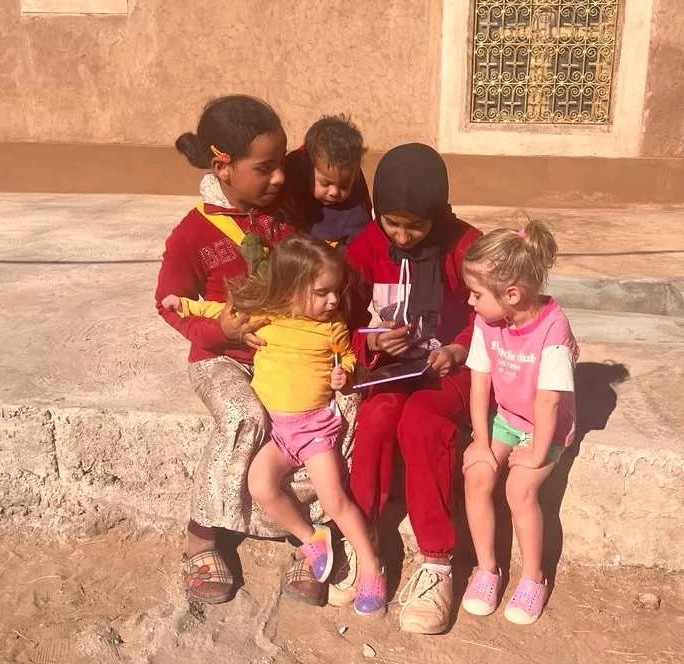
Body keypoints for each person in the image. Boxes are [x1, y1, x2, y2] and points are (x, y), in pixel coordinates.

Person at [155, 94, 354, 607]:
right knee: (245, 415)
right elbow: (169, 302)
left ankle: (307, 537)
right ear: (222, 167)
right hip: (222, 359)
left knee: (324, 414)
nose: (281, 178)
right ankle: (201, 536)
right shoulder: (194, 233)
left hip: (283, 356)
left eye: (281, 164)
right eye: (264, 169)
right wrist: (219, 330)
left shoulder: (283, 220)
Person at [161, 235, 386, 616]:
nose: (333, 301)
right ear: (292, 290)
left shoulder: (332, 327)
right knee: (260, 485)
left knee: (335, 500)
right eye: (323, 293)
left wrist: (343, 374)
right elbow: (220, 309)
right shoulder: (268, 317)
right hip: (277, 432)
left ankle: (370, 567)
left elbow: (346, 357)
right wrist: (183, 303)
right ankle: (309, 538)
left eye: (336, 292)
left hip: (315, 431)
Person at [334, 143, 482, 635]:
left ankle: (437, 562)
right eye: (391, 222)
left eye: (415, 225)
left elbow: (495, 317)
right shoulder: (366, 247)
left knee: (421, 422)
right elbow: (339, 318)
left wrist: (459, 348)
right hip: (391, 367)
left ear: (437, 212)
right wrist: (372, 340)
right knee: (377, 419)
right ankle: (362, 538)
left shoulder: (465, 249)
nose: (402, 235)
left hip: (451, 372)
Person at [459, 221, 579, 625]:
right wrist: (480, 439)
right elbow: (480, 381)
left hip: (548, 428)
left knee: (519, 488)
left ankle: (533, 578)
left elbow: (549, 401)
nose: (470, 302)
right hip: (506, 420)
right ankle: (487, 568)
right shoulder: (487, 322)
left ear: (512, 294)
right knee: (477, 474)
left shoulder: (552, 329)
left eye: (476, 294)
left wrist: (538, 454)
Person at [284, 114, 371, 248]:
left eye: (344, 185)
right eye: (325, 183)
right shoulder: (292, 188)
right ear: (308, 171)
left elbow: (358, 250)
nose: (334, 192)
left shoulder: (356, 212)